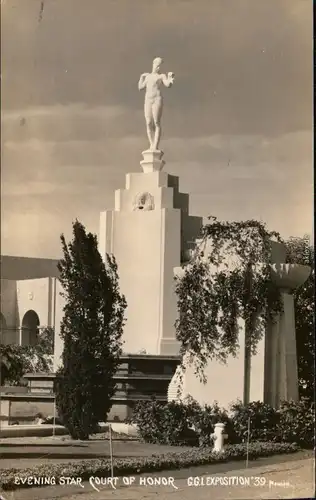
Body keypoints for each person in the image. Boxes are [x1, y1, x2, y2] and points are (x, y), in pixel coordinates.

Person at [138, 57, 175, 150]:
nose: (158, 68)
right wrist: (141, 77)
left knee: (156, 122)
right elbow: (140, 87)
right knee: (148, 122)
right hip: (148, 100)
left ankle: (155, 145)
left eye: (159, 66)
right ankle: (151, 144)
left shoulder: (161, 76)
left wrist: (171, 78)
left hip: (157, 99)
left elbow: (167, 84)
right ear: (153, 64)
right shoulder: (148, 77)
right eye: (156, 65)